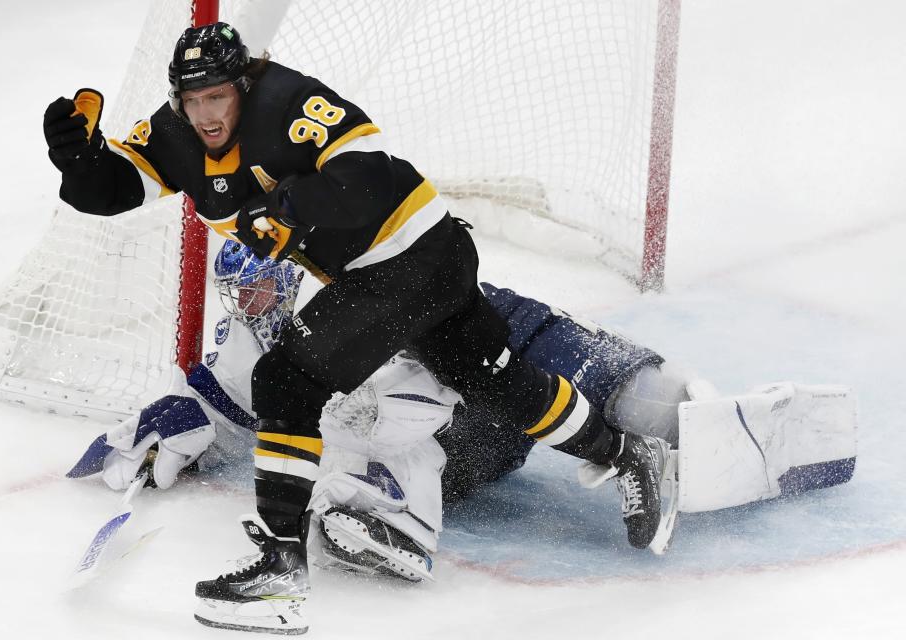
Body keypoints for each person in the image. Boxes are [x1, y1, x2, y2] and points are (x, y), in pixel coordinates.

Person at [41, 22, 842, 634]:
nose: (206, 116)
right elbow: (112, 189)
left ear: (242, 86)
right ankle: (626, 455)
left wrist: (285, 210)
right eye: (194, 102)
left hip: (416, 257)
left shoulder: (289, 99)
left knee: (291, 380)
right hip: (388, 279)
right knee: (496, 381)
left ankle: (281, 574)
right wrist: (78, 161)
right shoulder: (177, 134)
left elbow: (364, 168)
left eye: (218, 98)